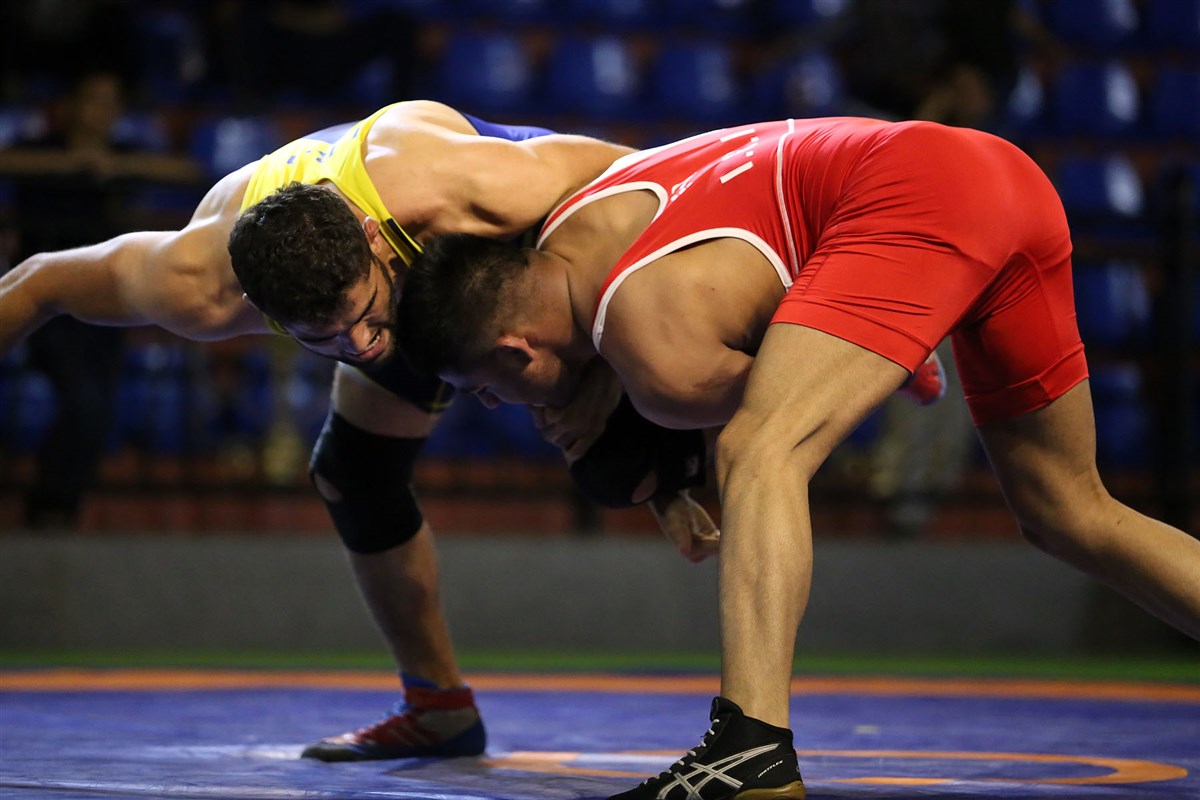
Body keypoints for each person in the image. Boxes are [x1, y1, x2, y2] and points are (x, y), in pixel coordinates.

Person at [396, 116, 1200, 799]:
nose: (508, 408)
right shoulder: (582, 213)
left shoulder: (653, 352)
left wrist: (655, 435)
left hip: (919, 196)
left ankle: (750, 749)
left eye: (489, 389)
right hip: (1000, 178)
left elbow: (760, 393)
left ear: (518, 349)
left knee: (761, 449)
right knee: (1067, 510)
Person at [0, 99, 720, 762]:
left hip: (518, 238)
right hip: (412, 281)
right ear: (263, 312)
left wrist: (610, 354)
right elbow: (36, 283)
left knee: (614, 449)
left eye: (367, 318)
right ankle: (438, 708)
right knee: (353, 471)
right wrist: (371, 322)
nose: (365, 346)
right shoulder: (197, 283)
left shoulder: (464, 185)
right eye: (327, 339)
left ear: (374, 241)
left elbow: (654, 182)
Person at [0, 69, 202, 527]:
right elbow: (8, 162)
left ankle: (61, 509)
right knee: (84, 401)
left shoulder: (122, 153)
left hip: (107, 304)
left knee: (101, 404)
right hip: (45, 306)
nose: (101, 112)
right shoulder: (40, 148)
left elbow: (187, 170)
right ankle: (50, 507)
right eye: (92, 100)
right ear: (70, 105)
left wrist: (116, 167)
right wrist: (71, 164)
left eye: (110, 103)